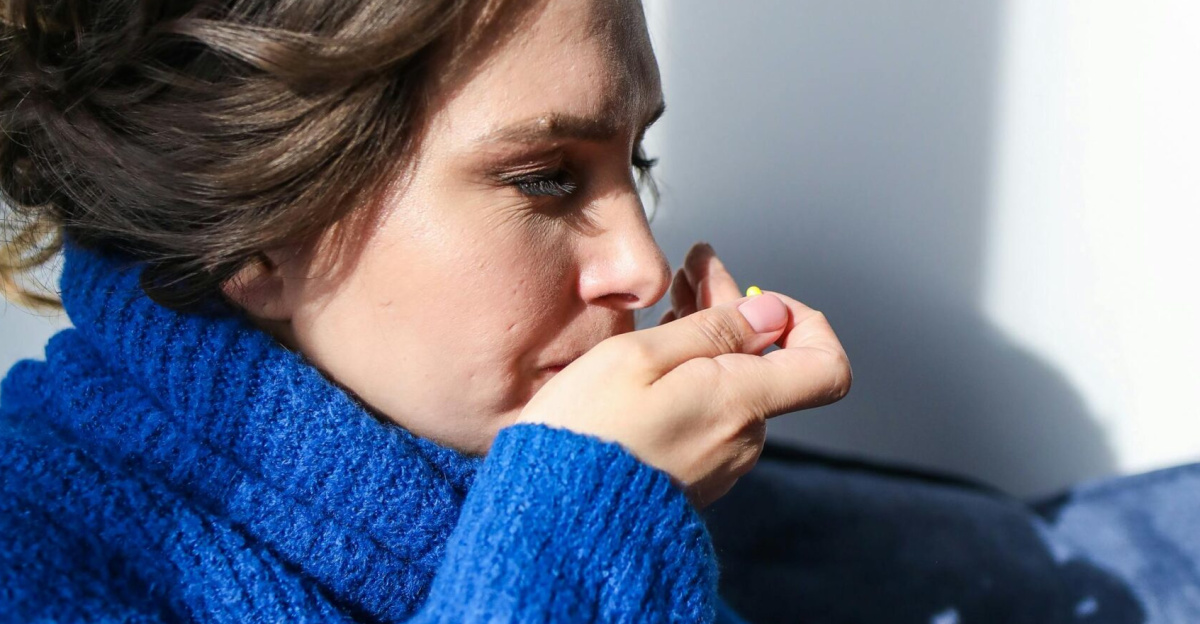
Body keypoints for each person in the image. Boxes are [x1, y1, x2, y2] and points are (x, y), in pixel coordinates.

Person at [0, 0, 851, 621]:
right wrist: (583, 526)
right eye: (545, 177)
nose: (643, 268)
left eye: (637, 159)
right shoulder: (28, 556)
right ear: (252, 232)